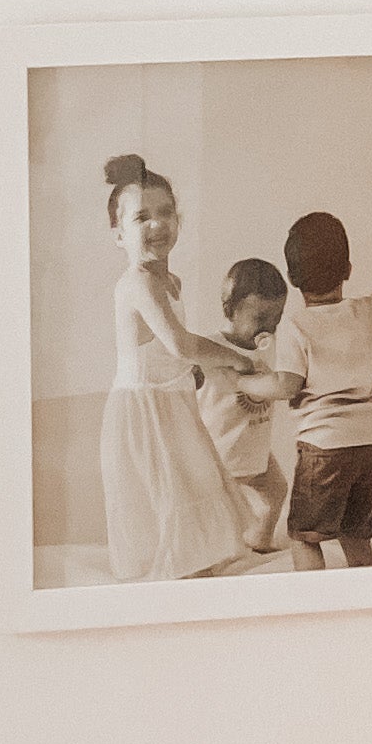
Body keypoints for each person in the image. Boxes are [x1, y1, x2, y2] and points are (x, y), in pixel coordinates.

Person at [96, 157, 251, 581]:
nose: (156, 224)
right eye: (142, 217)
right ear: (119, 234)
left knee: (197, 483)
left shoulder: (171, 282)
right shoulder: (138, 281)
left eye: (165, 213)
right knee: (170, 495)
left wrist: (195, 373)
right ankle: (178, 575)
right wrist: (236, 357)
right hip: (144, 410)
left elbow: (167, 352)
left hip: (172, 403)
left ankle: (196, 566)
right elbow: (181, 343)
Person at [269, 210, 372, 570]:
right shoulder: (369, 313)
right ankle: (363, 586)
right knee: (355, 531)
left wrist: (251, 386)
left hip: (323, 446)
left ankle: (314, 602)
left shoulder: (295, 326)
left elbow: (288, 384)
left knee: (305, 536)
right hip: (369, 443)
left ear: (291, 278)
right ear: (348, 269)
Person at [196, 256, 293, 558]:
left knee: (276, 491)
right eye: (260, 321)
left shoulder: (273, 346)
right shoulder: (211, 349)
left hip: (256, 451)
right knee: (221, 510)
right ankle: (215, 552)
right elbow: (188, 372)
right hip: (223, 456)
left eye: (275, 321)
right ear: (229, 310)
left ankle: (259, 541)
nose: (268, 330)